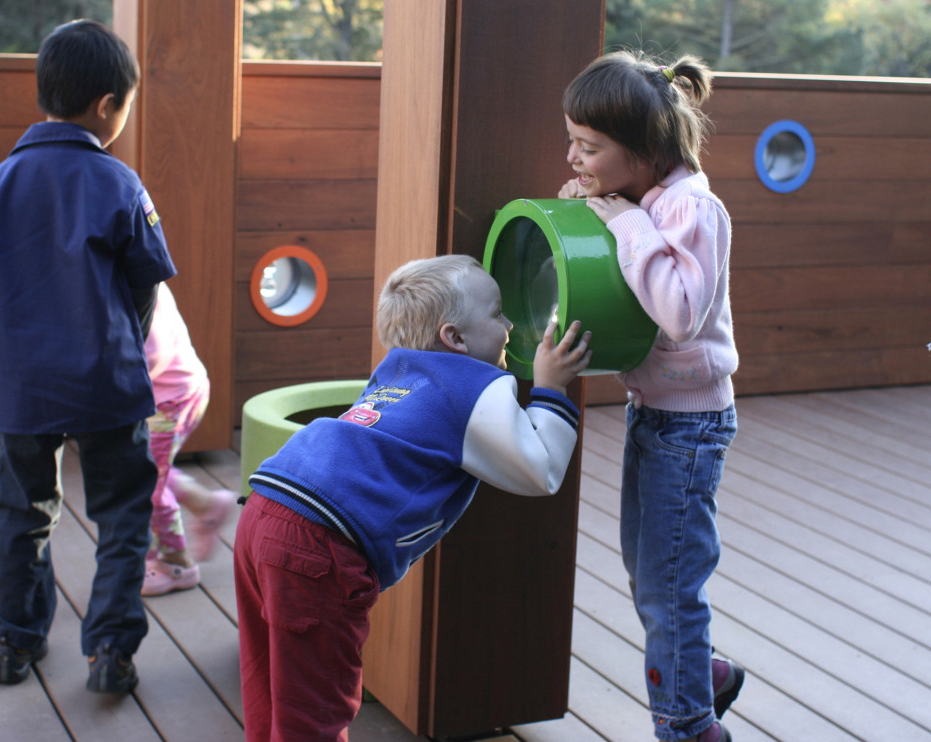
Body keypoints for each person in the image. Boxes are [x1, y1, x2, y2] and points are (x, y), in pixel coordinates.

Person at [234, 254, 592, 742]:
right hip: (318, 547)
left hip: (266, 507)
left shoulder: (397, 369)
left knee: (272, 684)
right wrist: (551, 388)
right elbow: (541, 471)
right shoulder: (472, 385)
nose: (509, 324)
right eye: (497, 313)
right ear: (456, 339)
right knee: (314, 711)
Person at [0, 19, 176, 694]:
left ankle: (13, 642)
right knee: (120, 512)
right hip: (107, 382)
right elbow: (146, 283)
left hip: (23, 387)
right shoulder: (120, 183)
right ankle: (110, 651)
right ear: (107, 106)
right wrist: (122, 345)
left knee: (23, 512)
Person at [558, 50, 745, 742]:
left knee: (670, 591)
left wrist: (623, 221)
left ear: (642, 151)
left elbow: (678, 311)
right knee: (650, 579)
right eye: (573, 141)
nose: (574, 157)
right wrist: (601, 210)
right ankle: (710, 677)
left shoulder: (693, 208)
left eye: (588, 147)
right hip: (654, 417)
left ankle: (689, 724)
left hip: (691, 430)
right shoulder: (641, 197)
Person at [141, 282, 237, 596]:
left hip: (170, 400)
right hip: (170, 392)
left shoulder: (135, 284)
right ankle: (208, 505)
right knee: (150, 468)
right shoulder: (135, 272)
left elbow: (152, 354)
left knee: (148, 483)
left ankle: (176, 564)